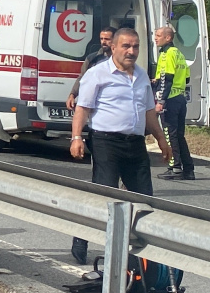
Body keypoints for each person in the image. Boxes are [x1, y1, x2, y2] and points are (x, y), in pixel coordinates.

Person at [69, 27, 173, 264]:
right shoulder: (98, 74)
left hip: (135, 143)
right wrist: (76, 138)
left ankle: (140, 255)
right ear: (113, 47)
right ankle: (82, 236)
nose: (131, 51)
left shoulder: (142, 76)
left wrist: (161, 139)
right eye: (126, 46)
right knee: (105, 195)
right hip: (106, 141)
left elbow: (148, 112)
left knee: (144, 199)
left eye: (135, 46)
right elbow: (82, 108)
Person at [153, 26, 195, 180]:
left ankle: (175, 167)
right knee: (179, 135)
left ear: (168, 38)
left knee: (169, 135)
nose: (155, 38)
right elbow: (186, 78)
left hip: (169, 99)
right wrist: (156, 80)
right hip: (180, 99)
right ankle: (188, 169)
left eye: (158, 35)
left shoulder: (167, 54)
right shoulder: (179, 54)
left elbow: (167, 79)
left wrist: (161, 101)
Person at [66, 26, 117, 110]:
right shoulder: (92, 58)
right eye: (101, 39)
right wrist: (72, 95)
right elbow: (82, 77)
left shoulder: (121, 60)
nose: (103, 42)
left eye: (107, 39)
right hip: (95, 103)